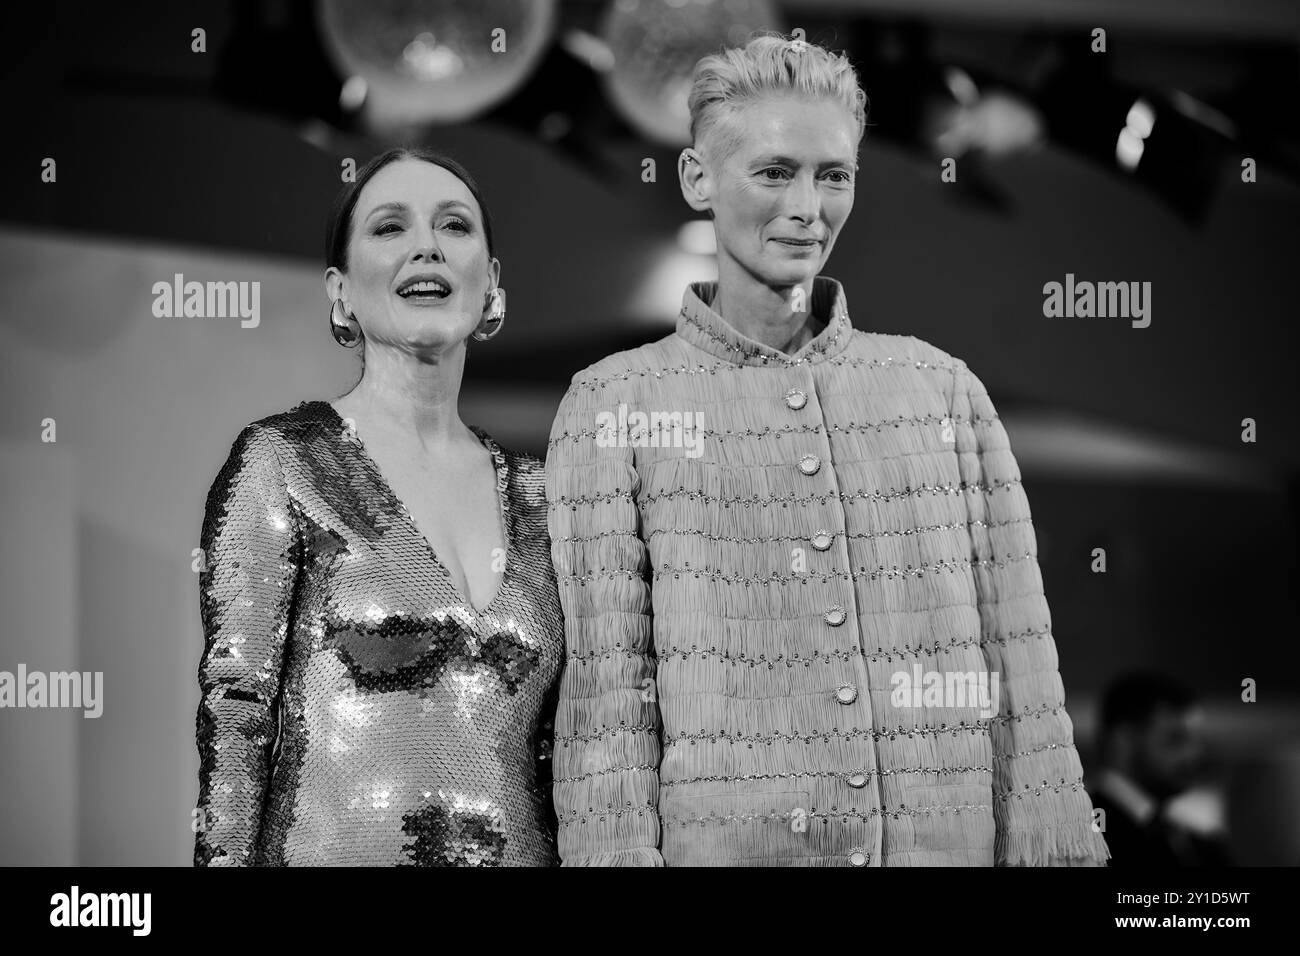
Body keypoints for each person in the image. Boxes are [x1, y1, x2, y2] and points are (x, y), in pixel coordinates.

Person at [545, 34, 1110, 866]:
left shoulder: (942, 390)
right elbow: (606, 709)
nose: (809, 206)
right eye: (774, 172)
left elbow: (1021, 678)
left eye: (833, 175)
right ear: (697, 179)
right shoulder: (614, 402)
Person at [194, 147, 563, 866]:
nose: (427, 244)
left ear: (490, 284)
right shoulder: (285, 462)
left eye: (454, 226)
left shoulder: (545, 496)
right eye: (390, 228)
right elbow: (236, 721)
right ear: (341, 292)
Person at [1091, 673, 1232, 867]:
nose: (1194, 755)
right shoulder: (1078, 838)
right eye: (1175, 739)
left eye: (1196, 741)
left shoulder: (1196, 844)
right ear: (1124, 739)